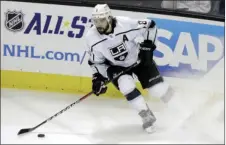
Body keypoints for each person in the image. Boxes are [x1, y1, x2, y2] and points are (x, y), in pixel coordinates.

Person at [85, 4, 173, 133]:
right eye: (96, 21)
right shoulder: (91, 37)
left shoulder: (125, 23)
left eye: (102, 20)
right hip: (115, 66)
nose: (99, 24)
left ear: (109, 18)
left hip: (137, 59)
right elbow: (96, 62)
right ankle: (145, 114)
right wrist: (98, 78)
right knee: (126, 86)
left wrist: (148, 47)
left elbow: (150, 25)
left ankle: (181, 108)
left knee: (157, 89)